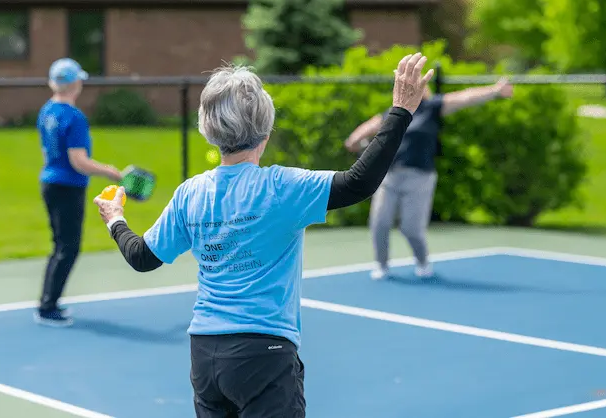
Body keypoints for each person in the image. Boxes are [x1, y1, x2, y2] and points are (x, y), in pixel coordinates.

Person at [93, 53, 433, 417]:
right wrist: (401, 111)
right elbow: (358, 183)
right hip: (263, 355)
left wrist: (115, 219)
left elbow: (142, 257)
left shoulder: (190, 193)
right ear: (265, 130)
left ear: (208, 128)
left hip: (205, 355)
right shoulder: (282, 188)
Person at [344, 78, 514, 280]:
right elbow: (358, 136)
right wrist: (356, 142)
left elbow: (465, 97)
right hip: (389, 177)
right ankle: (381, 265)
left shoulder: (431, 108)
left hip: (420, 179)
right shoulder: (393, 113)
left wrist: (495, 90)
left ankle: (422, 262)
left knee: (411, 228)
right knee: (379, 223)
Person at [35, 58, 122, 327]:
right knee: (68, 247)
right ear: (75, 84)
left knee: (60, 245)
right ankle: (48, 306)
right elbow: (78, 161)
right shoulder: (74, 117)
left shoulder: (47, 111)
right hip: (68, 187)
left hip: (50, 183)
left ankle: (49, 301)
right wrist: (110, 171)